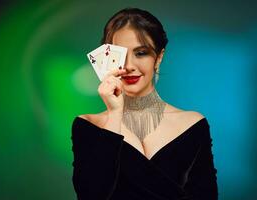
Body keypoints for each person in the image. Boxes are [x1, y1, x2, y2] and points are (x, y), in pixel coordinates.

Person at [71, 7, 218, 200]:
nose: (129, 65)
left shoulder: (193, 125)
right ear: (106, 57)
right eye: (120, 55)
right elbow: (91, 196)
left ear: (158, 57)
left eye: (141, 53)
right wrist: (115, 114)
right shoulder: (88, 126)